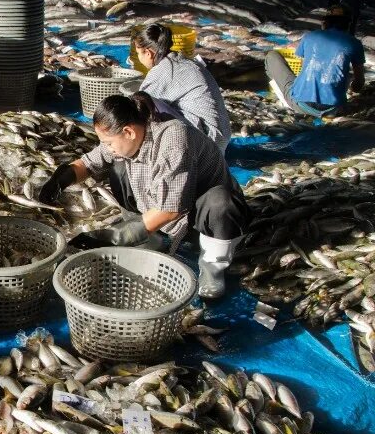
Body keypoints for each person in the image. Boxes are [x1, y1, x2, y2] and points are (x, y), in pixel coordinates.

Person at [38, 92, 250, 299]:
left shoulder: (174, 139)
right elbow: (89, 163)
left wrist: (119, 235)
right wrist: (60, 179)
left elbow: (171, 210)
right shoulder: (132, 135)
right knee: (118, 167)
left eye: (109, 142)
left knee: (220, 202)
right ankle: (149, 234)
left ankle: (212, 269)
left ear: (129, 132)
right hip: (160, 211)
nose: (107, 148)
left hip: (199, 220)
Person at [133, 24, 231, 152]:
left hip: (208, 142)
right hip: (222, 136)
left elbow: (139, 104)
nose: (138, 58)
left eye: (138, 53)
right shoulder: (183, 61)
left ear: (148, 53)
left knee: (143, 106)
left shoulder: (165, 70)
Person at [265, 5, 365, 117]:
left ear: (325, 22)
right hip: (334, 109)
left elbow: (304, 68)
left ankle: (279, 96)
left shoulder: (310, 37)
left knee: (272, 56)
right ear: (348, 24)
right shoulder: (354, 43)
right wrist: (351, 87)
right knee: (347, 74)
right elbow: (359, 83)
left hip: (301, 105)